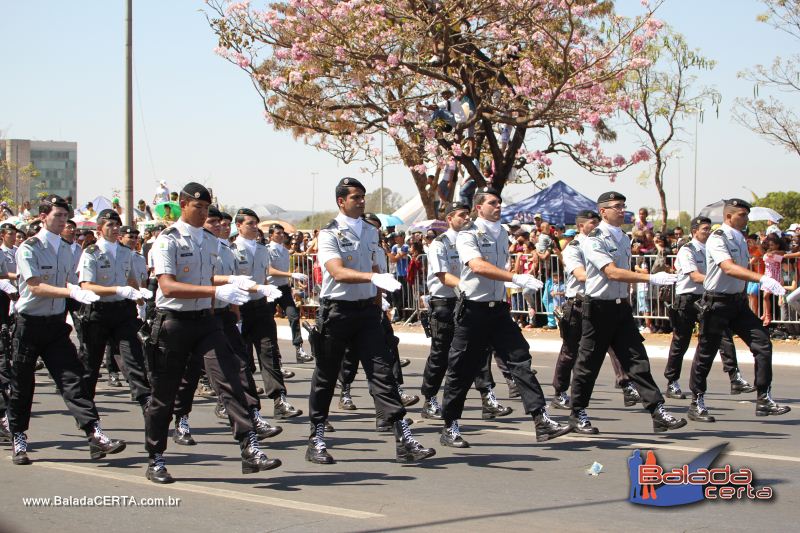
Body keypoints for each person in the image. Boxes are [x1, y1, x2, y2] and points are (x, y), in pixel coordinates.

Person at [144, 182, 281, 483]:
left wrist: (230, 293)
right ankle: (155, 457)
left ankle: (250, 447)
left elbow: (208, 277)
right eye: (198, 206)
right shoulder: (167, 241)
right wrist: (218, 291)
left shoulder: (209, 241)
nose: (204, 212)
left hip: (206, 321)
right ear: (182, 204)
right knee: (165, 395)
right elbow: (167, 286)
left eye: (207, 207)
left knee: (230, 380)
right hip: (173, 322)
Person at [307, 177, 435, 464]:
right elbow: (337, 272)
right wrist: (372, 277)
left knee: (383, 375)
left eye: (363, 197)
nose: (361, 201)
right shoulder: (329, 233)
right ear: (341, 201)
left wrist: (380, 297)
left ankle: (404, 439)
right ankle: (316, 438)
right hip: (337, 312)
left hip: (366, 312)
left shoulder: (368, 231)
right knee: (326, 377)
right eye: (355, 197)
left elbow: (375, 266)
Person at [439, 187, 572, 448]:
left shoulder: (501, 233)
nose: (498, 206)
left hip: (498, 310)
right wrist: (515, 278)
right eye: (492, 203)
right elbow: (476, 266)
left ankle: (541, 420)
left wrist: (512, 283)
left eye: (499, 202)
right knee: (461, 371)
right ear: (479, 208)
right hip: (473, 311)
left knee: (520, 361)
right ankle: (450, 426)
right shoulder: (467, 235)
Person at [7, 195, 127, 465]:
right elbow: (36, 286)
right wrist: (70, 290)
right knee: (23, 385)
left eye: (65, 216)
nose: (62, 221)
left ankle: (95, 434)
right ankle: (18, 436)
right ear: (43, 217)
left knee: (73, 380)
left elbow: (75, 282)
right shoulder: (29, 247)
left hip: (55, 326)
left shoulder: (67, 248)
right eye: (57, 215)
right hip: (29, 324)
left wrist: (81, 293)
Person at [569, 191, 687, 434]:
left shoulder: (623, 237)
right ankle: (577, 412)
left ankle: (657, 411)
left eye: (623, 206)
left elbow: (624, 271)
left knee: (637, 360)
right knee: (588, 364)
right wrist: (650, 277)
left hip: (621, 307)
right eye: (617, 206)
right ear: (603, 212)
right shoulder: (594, 239)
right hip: (598, 307)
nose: (622, 210)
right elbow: (610, 272)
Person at [689, 199, 791, 420]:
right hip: (716, 303)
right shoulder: (718, 238)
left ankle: (764, 398)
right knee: (706, 352)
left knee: (762, 344)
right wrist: (762, 278)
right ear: (729, 217)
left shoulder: (741, 239)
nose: (746, 219)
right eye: (742, 215)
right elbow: (728, 268)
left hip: (737, 302)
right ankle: (696, 402)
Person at [420, 202, 512, 430]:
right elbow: (443, 276)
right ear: (450, 219)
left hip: (470, 302)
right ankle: (430, 399)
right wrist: (465, 287)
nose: (466, 218)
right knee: (441, 355)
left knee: (480, 352)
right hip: (446, 303)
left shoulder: (475, 239)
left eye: (467, 214)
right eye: (461, 215)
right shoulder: (440, 244)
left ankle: (487, 398)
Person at [551, 210, 642, 414]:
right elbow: (581, 275)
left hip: (601, 304)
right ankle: (560, 392)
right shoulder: (574, 248)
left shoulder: (602, 243)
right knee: (570, 351)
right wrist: (609, 274)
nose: (597, 225)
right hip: (578, 304)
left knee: (615, 346)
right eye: (593, 222)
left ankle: (627, 385)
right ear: (582, 226)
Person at [204, 207, 282, 439]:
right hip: (197, 316)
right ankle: (182, 421)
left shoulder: (226, 249)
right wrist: (234, 281)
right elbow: (204, 279)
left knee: (239, 366)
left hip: (224, 314)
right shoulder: (199, 247)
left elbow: (234, 283)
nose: (219, 226)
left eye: (221, 222)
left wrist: (235, 310)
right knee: (188, 377)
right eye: (213, 222)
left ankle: (253, 418)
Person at [664, 216, 755, 406]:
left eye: (709, 229)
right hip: (687, 300)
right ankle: (672, 381)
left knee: (723, 335)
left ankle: (734, 377)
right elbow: (695, 276)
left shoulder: (714, 247)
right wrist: (717, 281)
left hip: (707, 297)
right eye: (705, 229)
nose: (708, 232)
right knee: (681, 342)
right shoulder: (687, 250)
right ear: (694, 231)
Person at [76, 209, 152, 409]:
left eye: (117, 224)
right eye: (109, 225)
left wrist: (140, 301)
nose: (115, 228)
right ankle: (86, 407)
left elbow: (132, 279)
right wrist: (116, 289)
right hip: (98, 311)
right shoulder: (91, 253)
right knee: (90, 364)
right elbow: (86, 285)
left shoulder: (126, 252)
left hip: (123, 312)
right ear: (100, 229)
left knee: (133, 358)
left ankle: (146, 403)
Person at [232, 209, 303, 420]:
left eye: (256, 223)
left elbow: (263, 277)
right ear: (239, 226)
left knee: (269, 353)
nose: (254, 227)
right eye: (250, 223)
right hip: (240, 307)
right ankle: (240, 404)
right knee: (241, 359)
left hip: (261, 306)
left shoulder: (262, 250)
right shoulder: (231, 250)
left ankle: (279, 400)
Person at [266, 223, 313, 363]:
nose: (281, 235)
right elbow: (270, 270)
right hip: (271, 288)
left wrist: (294, 282)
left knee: (293, 315)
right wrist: (291, 274)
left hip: (284, 288)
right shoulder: (267, 250)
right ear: (270, 236)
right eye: (277, 233)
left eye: (282, 233)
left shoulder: (284, 251)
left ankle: (299, 349)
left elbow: (285, 273)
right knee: (268, 321)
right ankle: (273, 353)